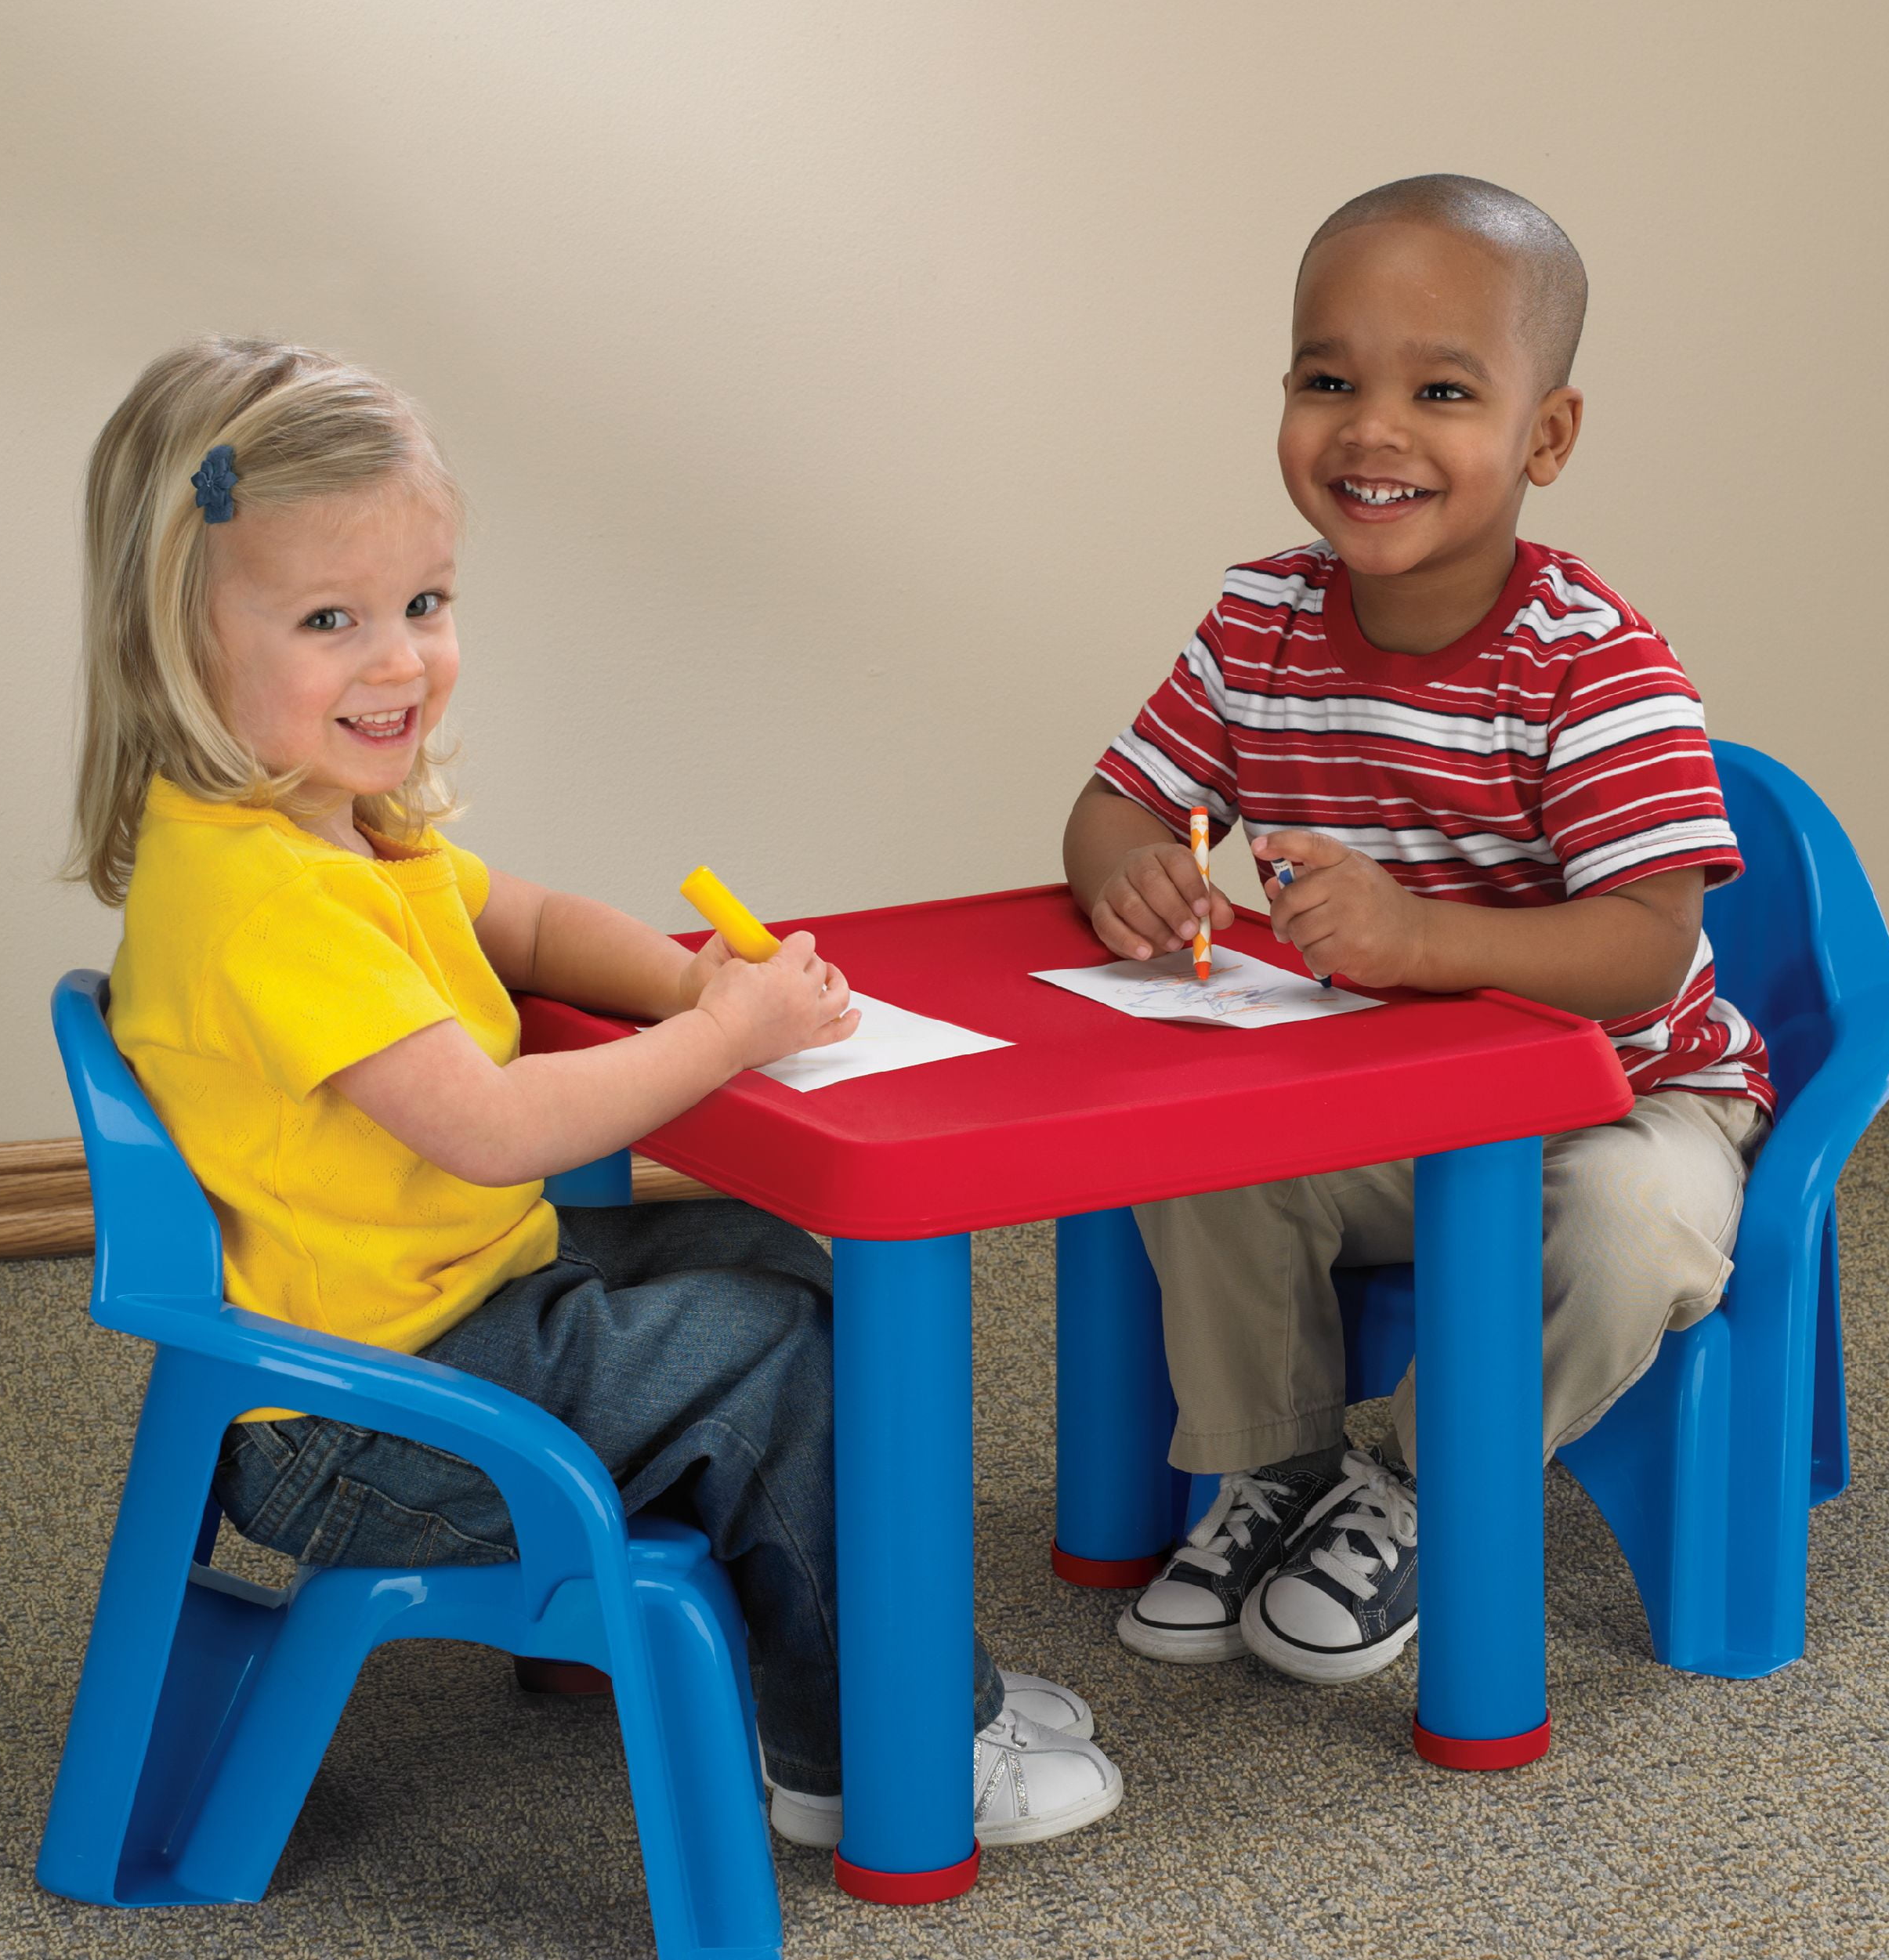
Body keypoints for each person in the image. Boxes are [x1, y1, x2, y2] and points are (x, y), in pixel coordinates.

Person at [71, 337, 1120, 1849]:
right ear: (176, 638)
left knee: (768, 1266)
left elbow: (538, 924)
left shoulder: (326, 828)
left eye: (425, 605)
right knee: (775, 1363)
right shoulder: (267, 904)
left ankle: (870, 1668)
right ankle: (881, 1756)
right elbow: (498, 1129)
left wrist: (694, 985)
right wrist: (732, 1038)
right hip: (366, 1423)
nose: (399, 660)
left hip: (424, 1326)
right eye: (328, 619)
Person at [1062, 178, 1773, 1686]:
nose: (1372, 429)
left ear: (1546, 436)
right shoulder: (1257, 619)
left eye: (1442, 390)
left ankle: (1422, 1481)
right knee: (1194, 1149)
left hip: (1620, 1095)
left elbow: (1645, 945)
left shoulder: (1599, 666)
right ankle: (1282, 1470)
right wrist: (1131, 874)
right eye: (1330, 380)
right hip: (1374, 1097)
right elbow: (1118, 805)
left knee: (1634, 1228)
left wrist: (1421, 940)